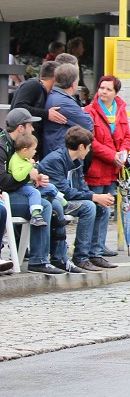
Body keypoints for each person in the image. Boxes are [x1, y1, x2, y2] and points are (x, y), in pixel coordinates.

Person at [37, 126, 112, 272]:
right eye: (89, 147)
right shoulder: (56, 160)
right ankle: (81, 257)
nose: (90, 150)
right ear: (81, 147)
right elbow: (65, 192)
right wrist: (95, 196)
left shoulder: (77, 160)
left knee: (101, 207)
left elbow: (82, 187)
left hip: (66, 199)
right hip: (56, 201)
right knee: (89, 207)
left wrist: (99, 198)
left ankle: (95, 254)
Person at [0, 109, 65, 274]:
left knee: (53, 203)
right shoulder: (2, 146)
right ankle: (39, 261)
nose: (33, 129)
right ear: (20, 128)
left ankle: (57, 258)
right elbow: (3, 181)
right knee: (44, 206)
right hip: (5, 197)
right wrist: (28, 175)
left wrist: (36, 179)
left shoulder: (16, 146)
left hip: (15, 192)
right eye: (30, 125)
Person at [84, 75, 130, 269]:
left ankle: (98, 248)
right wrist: (112, 155)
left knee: (105, 211)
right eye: (101, 88)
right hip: (97, 167)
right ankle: (89, 250)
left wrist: (124, 152)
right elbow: (91, 141)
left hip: (113, 169)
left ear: (115, 93)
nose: (103, 91)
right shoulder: (90, 111)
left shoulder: (120, 110)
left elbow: (127, 135)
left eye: (108, 89)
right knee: (95, 210)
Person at [43, 64, 93, 157]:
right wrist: (85, 113)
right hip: (61, 154)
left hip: (55, 151)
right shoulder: (64, 102)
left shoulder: (56, 96)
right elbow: (88, 123)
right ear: (74, 84)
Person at [10, 60, 61, 152]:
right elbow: (19, 107)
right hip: (21, 144)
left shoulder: (42, 90)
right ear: (55, 78)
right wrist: (46, 113)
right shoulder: (33, 85)